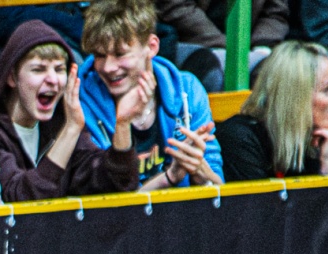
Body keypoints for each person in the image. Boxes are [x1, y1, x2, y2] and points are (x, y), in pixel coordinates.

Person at [0, 18, 140, 202]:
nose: (53, 80)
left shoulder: (61, 121)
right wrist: (70, 131)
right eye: (39, 69)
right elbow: (21, 200)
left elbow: (115, 184)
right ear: (12, 77)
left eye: (59, 69)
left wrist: (122, 125)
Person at [74, 0, 220, 191]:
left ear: (151, 47)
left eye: (120, 54)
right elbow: (107, 203)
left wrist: (200, 173)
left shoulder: (187, 90)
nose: (108, 67)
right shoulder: (81, 104)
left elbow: (219, 188)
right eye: (99, 55)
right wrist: (169, 178)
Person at [217, 39, 328, 180]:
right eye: (326, 89)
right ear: (294, 96)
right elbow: (260, 196)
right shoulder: (239, 139)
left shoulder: (320, 138)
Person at [154, 0, 286, 92]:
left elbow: (275, 12)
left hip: (251, 44)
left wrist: (262, 46)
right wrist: (225, 47)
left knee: (277, 71)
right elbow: (175, 7)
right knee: (210, 71)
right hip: (193, 39)